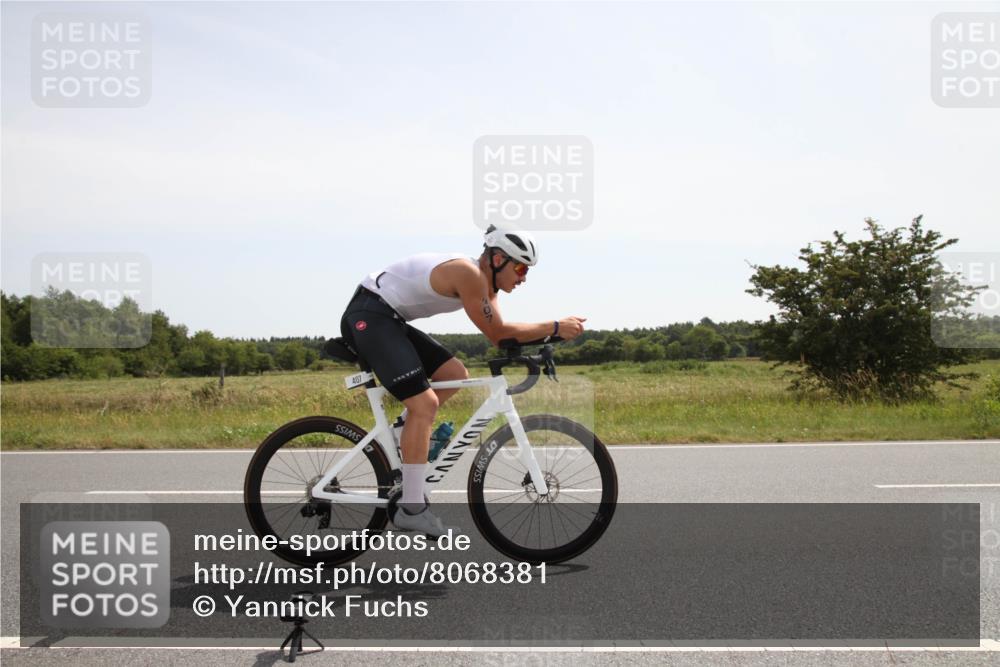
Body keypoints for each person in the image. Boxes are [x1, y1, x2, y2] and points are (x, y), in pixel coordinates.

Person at [339, 225, 586, 536]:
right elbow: (499, 332)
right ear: (497, 260)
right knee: (424, 404)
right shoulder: (468, 273)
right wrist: (554, 325)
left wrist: (550, 337)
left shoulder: (487, 286)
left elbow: (502, 334)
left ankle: (405, 434)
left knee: (454, 374)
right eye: (521, 268)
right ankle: (412, 508)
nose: (523, 277)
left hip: (389, 319)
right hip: (370, 315)